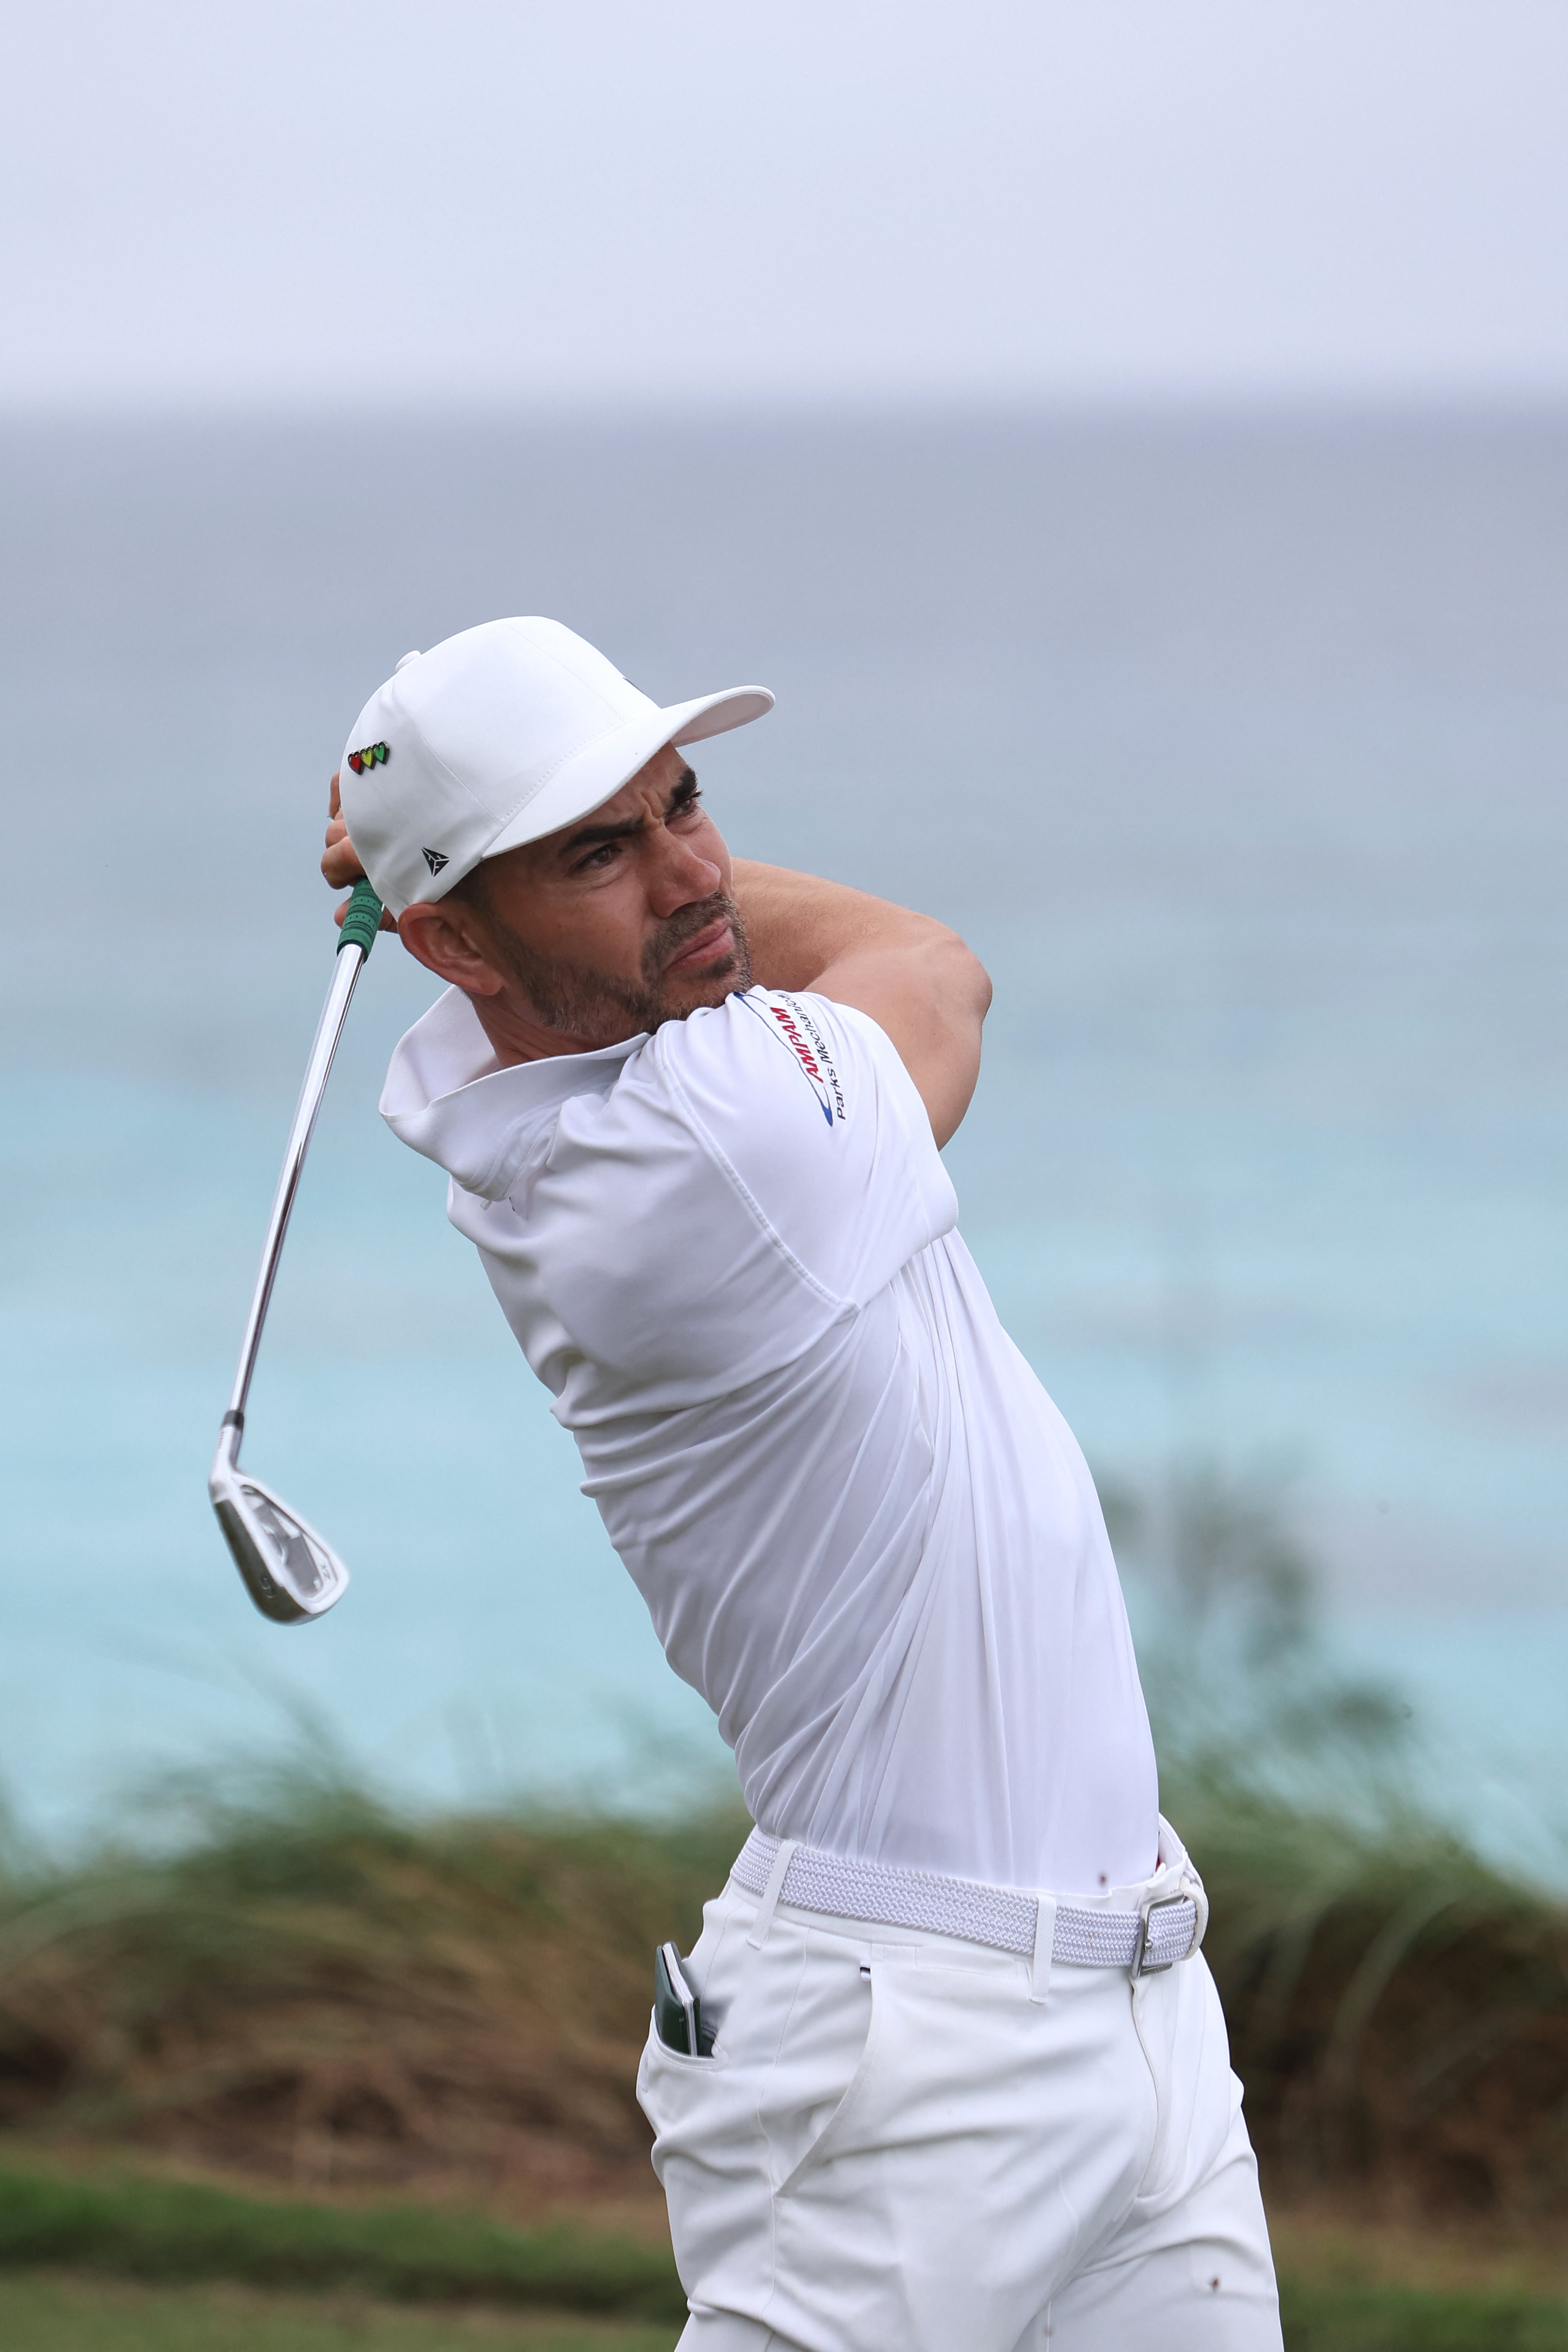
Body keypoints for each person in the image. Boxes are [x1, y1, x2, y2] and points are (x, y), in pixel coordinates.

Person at [323, 616, 1283, 2352]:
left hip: (1140, 2001)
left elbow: (698, 944)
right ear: (452, 941)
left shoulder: (632, 1083)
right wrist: (491, 862)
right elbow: (931, 963)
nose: (691, 874)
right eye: (600, 851)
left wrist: (520, 855)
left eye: (687, 803)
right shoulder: (710, 1144)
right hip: (899, 2048)